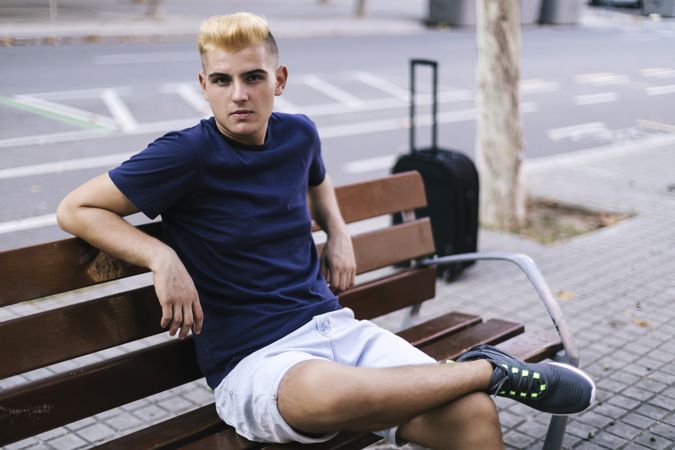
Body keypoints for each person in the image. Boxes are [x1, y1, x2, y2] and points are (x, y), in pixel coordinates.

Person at [57, 12, 595, 449]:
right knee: (324, 395)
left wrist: (337, 228)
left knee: (472, 417)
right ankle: (486, 370)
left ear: (280, 80)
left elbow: (316, 175)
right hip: (256, 360)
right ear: (204, 86)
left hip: (332, 327)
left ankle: (480, 380)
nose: (238, 94)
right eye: (222, 80)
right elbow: (77, 209)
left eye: (253, 77)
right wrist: (162, 259)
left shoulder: (298, 133)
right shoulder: (186, 154)